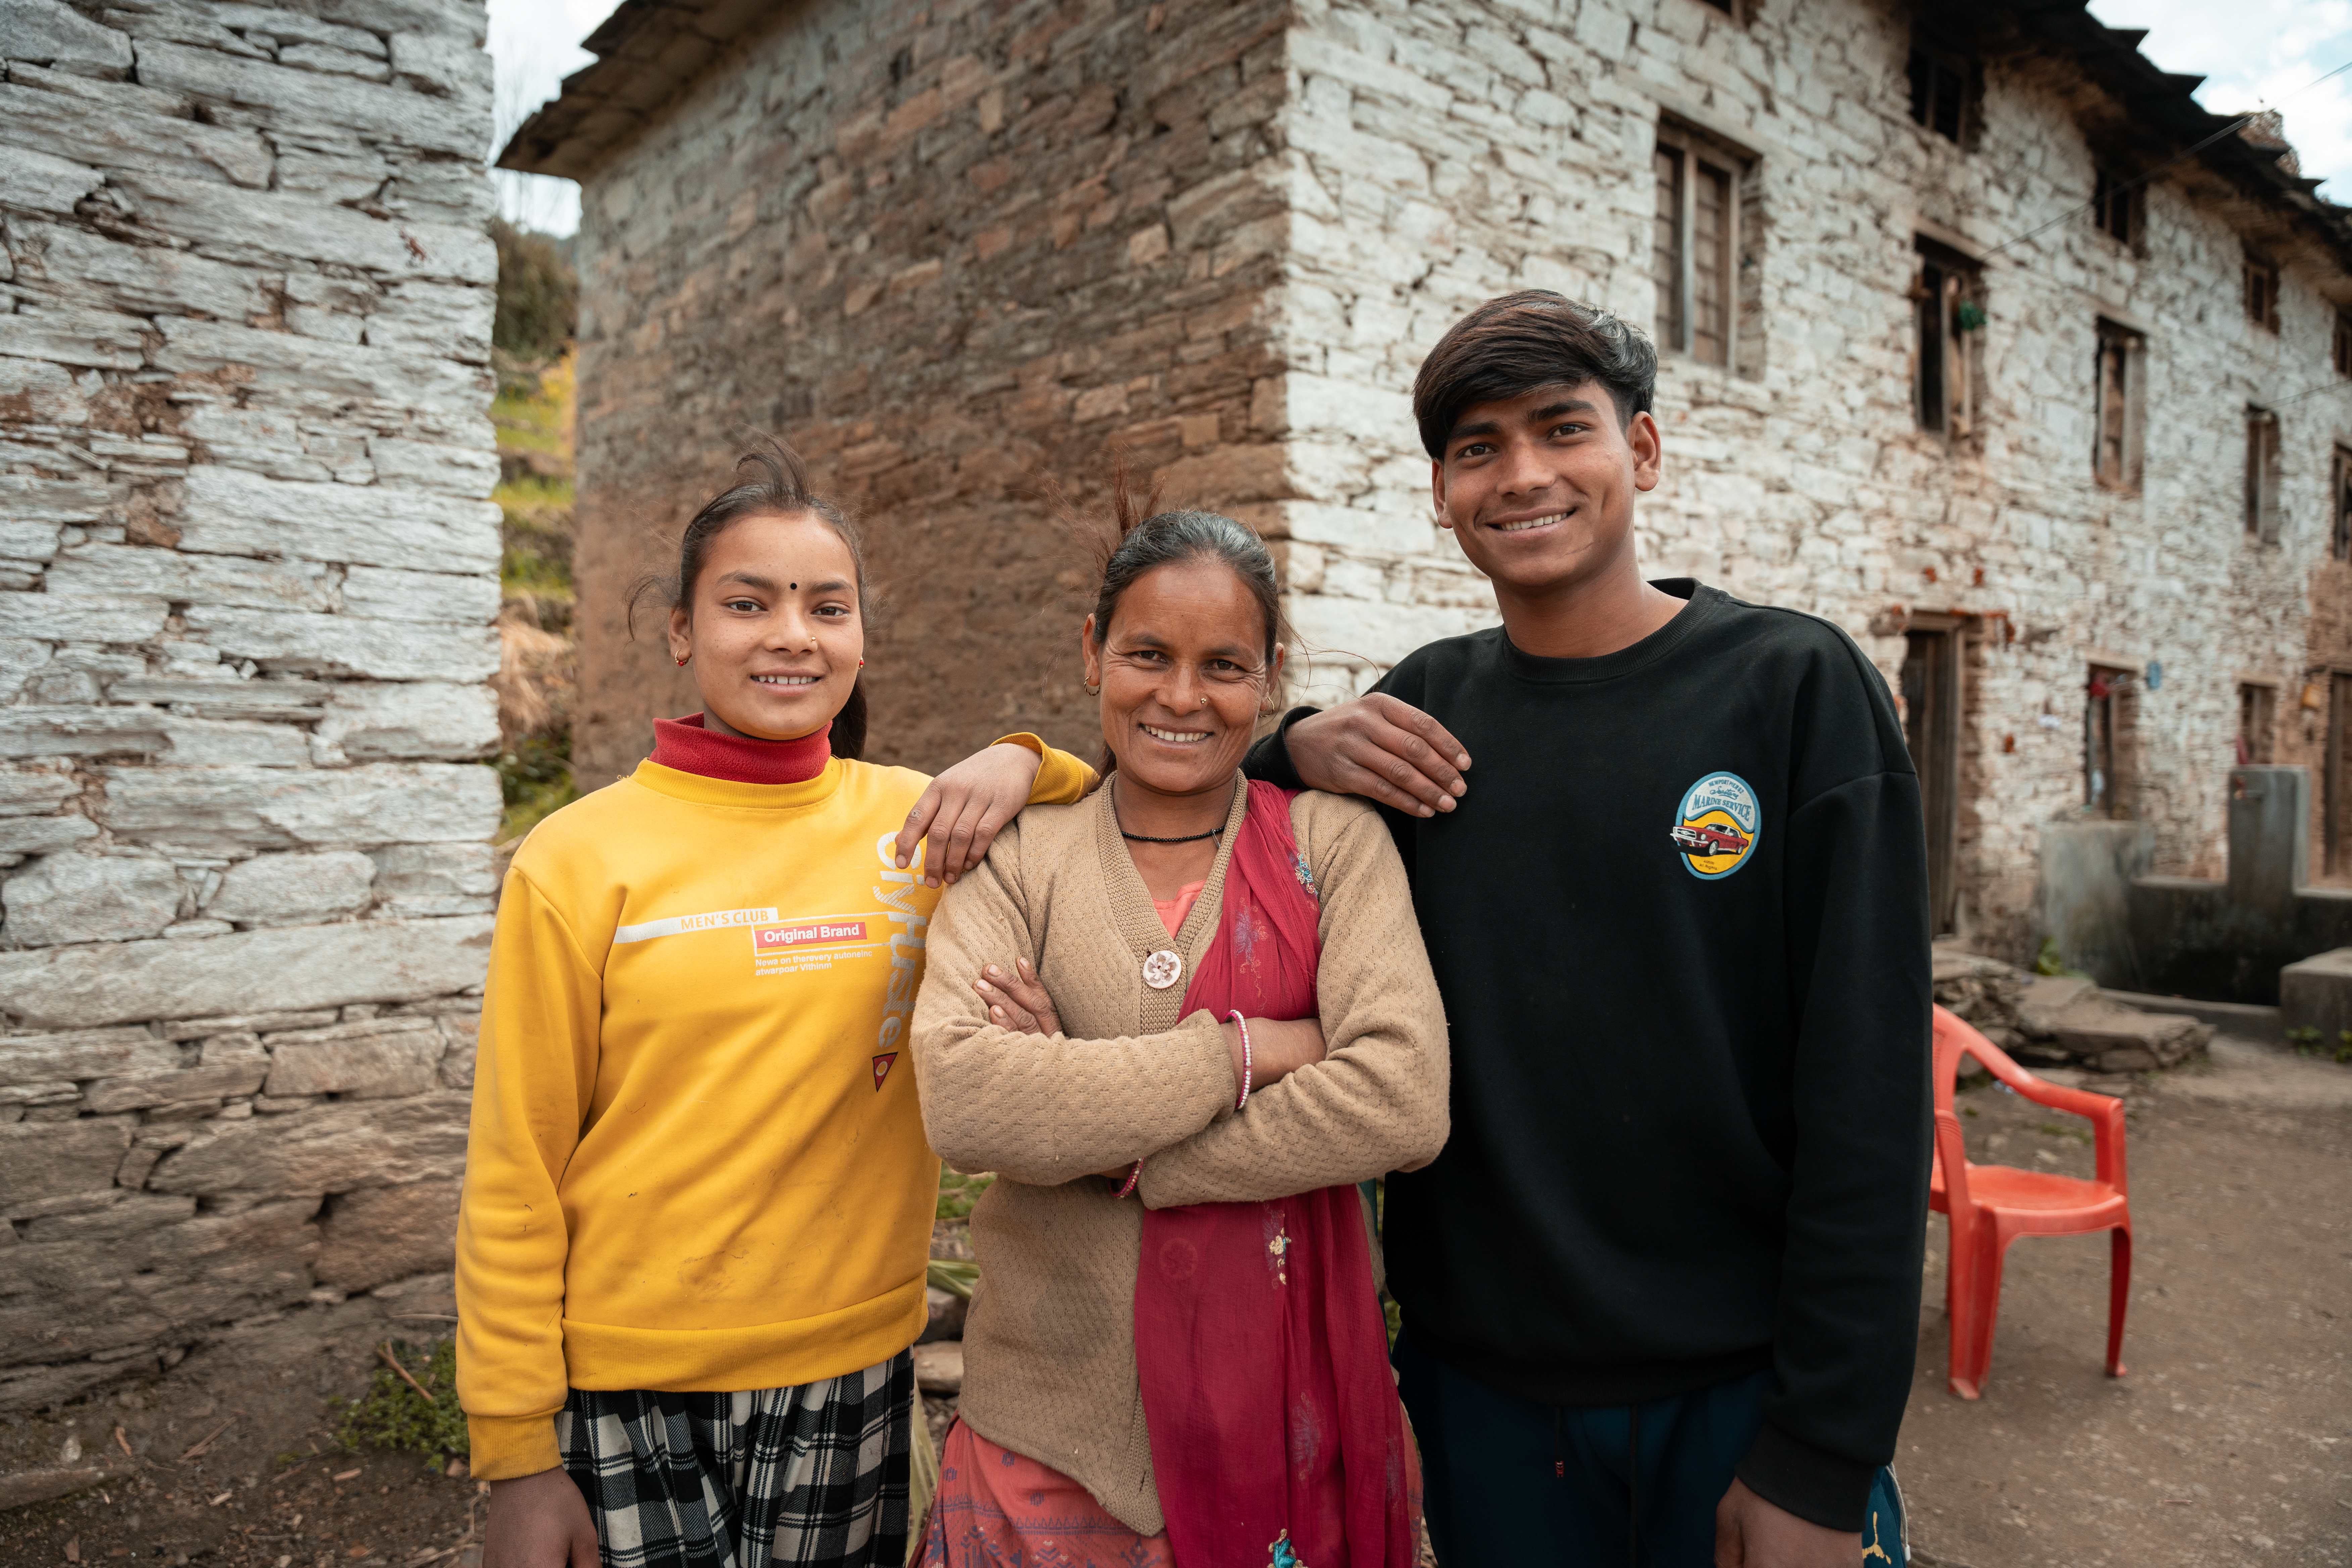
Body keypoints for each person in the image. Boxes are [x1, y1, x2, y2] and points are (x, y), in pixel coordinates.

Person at [1244, 292, 1931, 1567]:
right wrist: (1282, 749)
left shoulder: (1793, 692)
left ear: (1645, 452)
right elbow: (1203, 843)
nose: (1524, 476)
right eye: (1478, 448)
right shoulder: (1424, 718)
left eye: (1565, 429)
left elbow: (1871, 1100)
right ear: (1442, 495)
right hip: (1485, 1397)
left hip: (1743, 1394)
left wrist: (1821, 1459)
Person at [458, 443, 1100, 1568]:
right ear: (680, 631)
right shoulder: (577, 859)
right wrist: (516, 1452)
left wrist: (1019, 758)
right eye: (747, 603)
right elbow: (515, 1167)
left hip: (846, 1359)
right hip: (624, 1375)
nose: (791, 633)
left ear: (860, 636)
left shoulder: (919, 824)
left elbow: (1119, 806)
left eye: (827, 606)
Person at [907, 493, 1450, 1567]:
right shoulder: (1020, 855)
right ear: (1092, 652)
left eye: (1225, 666)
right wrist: (1248, 1051)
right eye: (1147, 654)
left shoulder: (1333, 845)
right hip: (1045, 1435)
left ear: (1272, 673)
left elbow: (1402, 1097)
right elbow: (967, 1099)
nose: (1182, 697)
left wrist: (1105, 1132)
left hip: (1290, 1414)